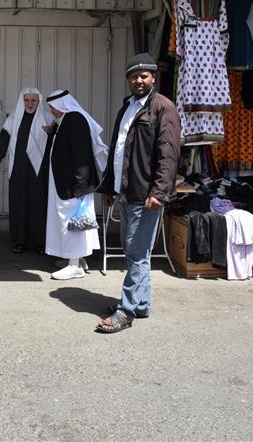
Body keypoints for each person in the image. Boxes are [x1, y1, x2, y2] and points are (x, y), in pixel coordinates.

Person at [95, 53, 182, 333]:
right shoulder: (128, 107)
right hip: (126, 191)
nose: (138, 80)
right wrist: (109, 186)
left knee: (136, 252)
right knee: (136, 252)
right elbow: (117, 150)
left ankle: (127, 310)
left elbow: (168, 154)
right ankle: (141, 304)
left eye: (144, 75)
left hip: (146, 195)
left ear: (153, 78)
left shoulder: (163, 108)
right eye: (133, 76)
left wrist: (159, 191)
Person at [43, 89, 108, 280]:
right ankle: (75, 259)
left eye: (52, 108)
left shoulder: (74, 120)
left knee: (73, 223)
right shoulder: (65, 121)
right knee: (68, 222)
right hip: (66, 183)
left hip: (73, 185)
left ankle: (75, 266)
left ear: (61, 105)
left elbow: (81, 155)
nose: (52, 111)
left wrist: (80, 185)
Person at [0, 88, 52, 253]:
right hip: (18, 168)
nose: (30, 104)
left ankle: (41, 242)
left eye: (33, 100)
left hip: (40, 170)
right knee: (19, 202)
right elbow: (3, 139)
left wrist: (52, 132)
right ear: (22, 101)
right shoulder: (14, 117)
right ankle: (20, 241)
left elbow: (57, 140)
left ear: (38, 102)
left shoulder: (47, 117)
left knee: (39, 204)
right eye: (27, 100)